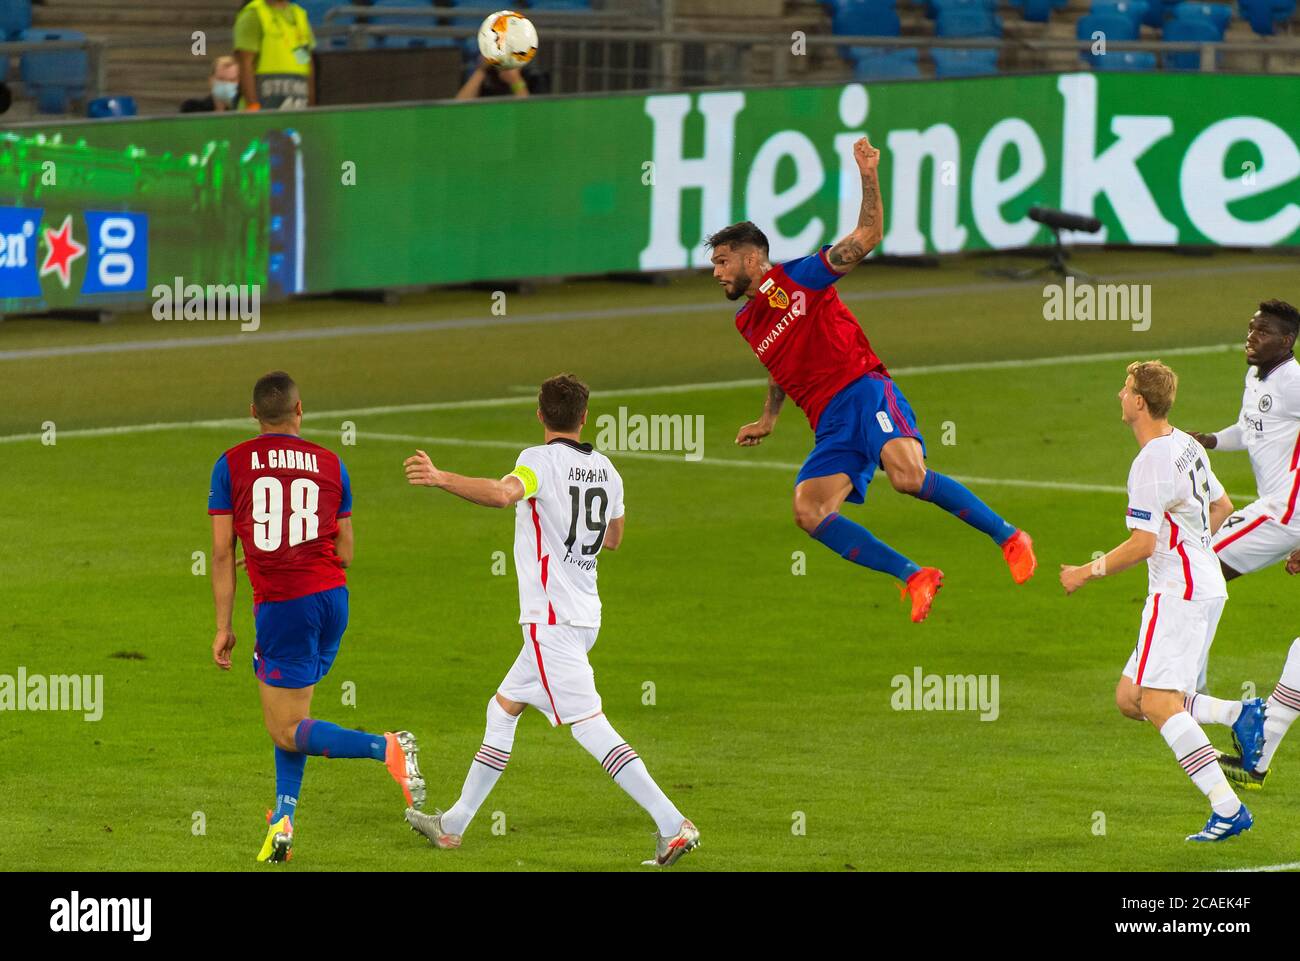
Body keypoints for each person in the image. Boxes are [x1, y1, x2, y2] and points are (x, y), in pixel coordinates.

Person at [707, 136, 1035, 624]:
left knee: (907, 477)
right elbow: (779, 365)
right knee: (808, 509)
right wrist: (768, 417)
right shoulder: (747, 321)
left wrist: (867, 172)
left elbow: (868, 234)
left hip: (863, 391)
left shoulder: (801, 278)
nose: (716, 273)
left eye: (722, 261)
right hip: (830, 425)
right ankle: (913, 576)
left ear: (752, 258)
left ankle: (1008, 535)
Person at [401, 374, 699, 867]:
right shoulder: (606, 469)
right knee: (503, 709)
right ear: (585, 416)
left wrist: (441, 478)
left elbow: (502, 494)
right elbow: (615, 537)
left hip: (551, 620)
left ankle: (673, 825)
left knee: (589, 726)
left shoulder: (536, 461)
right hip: (584, 615)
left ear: (539, 415)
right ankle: (452, 825)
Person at [208, 371, 423, 863]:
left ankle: (385, 747)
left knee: (285, 727)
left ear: (252, 413)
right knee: (292, 716)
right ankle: (282, 825)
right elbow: (345, 552)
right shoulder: (332, 463)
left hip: (285, 606)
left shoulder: (232, 463)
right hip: (332, 601)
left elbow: (222, 553)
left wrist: (224, 626)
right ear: (299, 411)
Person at [1059, 361, 1261, 842]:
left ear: (1140, 403)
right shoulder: (1186, 444)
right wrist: (1194, 547)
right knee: (1131, 698)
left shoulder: (1149, 461)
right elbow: (1222, 506)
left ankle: (1227, 807)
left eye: (1126, 389)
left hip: (1180, 595)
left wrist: (1085, 572)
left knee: (1159, 701)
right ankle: (1238, 714)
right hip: (1203, 587)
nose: (1119, 395)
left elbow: (1143, 544)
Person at [1190, 300, 1300, 581]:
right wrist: (1210, 440)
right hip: (1278, 508)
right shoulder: (1255, 374)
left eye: (1262, 332)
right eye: (1251, 329)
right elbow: (1248, 429)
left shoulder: (1293, 383)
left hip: (1286, 512)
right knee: (1200, 577)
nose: (1251, 337)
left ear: (1286, 341)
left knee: (1196, 570)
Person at [233, 0, 315, 110]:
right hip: (264, 104)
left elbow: (305, 63)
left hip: (297, 104)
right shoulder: (253, 14)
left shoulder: (299, 15)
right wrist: (252, 106)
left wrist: (311, 106)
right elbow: (245, 64)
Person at [455, 57, 528, 100]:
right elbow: (458, 109)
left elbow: (528, 115)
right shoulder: (486, 72)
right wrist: (481, 70)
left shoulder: (529, 73)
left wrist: (515, 81)